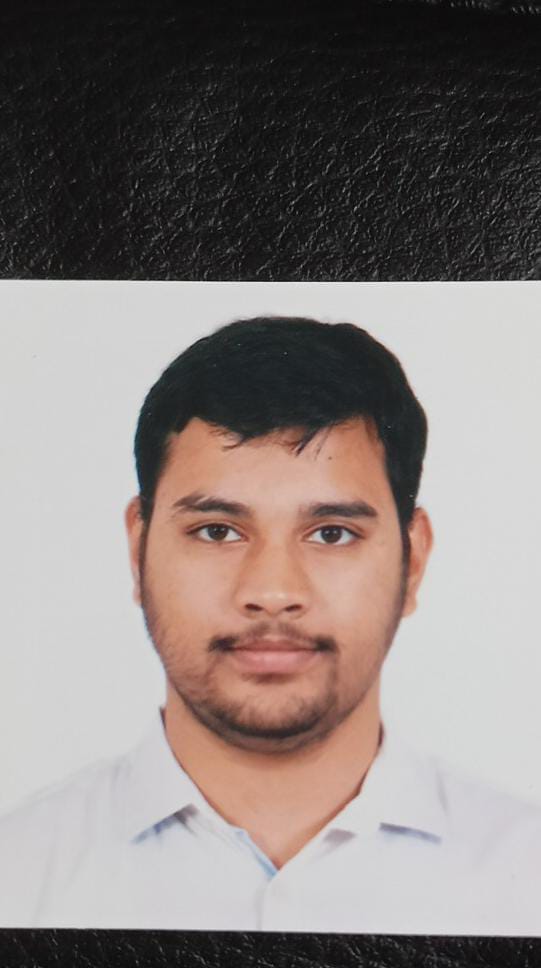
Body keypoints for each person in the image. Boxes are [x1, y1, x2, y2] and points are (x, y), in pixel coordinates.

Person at [1, 315, 540, 932]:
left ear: (412, 561)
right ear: (137, 550)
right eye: (217, 531)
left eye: (332, 534)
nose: (273, 592)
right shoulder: (18, 874)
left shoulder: (524, 876)